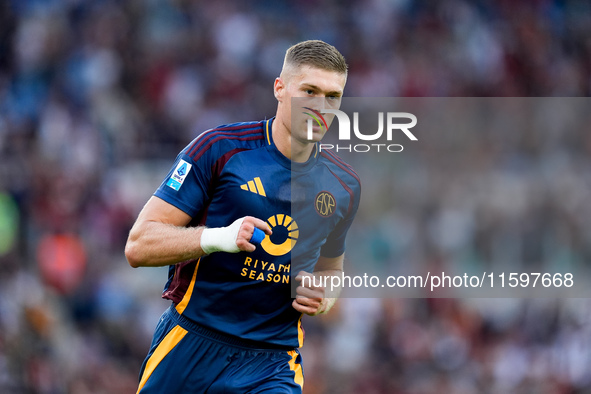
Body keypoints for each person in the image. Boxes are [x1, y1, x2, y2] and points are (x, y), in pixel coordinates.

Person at [125, 39, 361, 393]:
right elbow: (138, 245)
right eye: (309, 90)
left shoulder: (344, 186)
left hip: (271, 362)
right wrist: (221, 237)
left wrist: (324, 296)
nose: (320, 107)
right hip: (190, 344)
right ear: (280, 88)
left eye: (332, 96)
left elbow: (332, 268)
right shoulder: (220, 150)